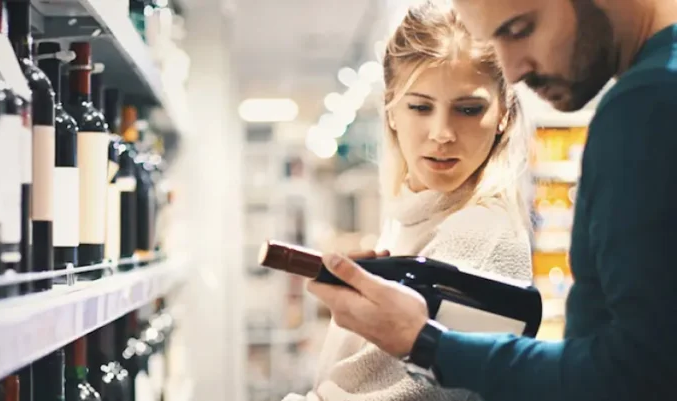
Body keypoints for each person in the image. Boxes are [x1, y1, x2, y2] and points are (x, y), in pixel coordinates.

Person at [306, 0, 677, 399]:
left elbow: (637, 374)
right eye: (419, 106)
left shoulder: (648, 103)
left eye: (519, 29)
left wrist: (428, 345)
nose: (514, 70)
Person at [285, 2, 535, 400]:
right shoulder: (414, 213)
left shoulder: (479, 234)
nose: (442, 133)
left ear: (504, 113)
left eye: (468, 109)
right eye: (420, 107)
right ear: (392, 113)